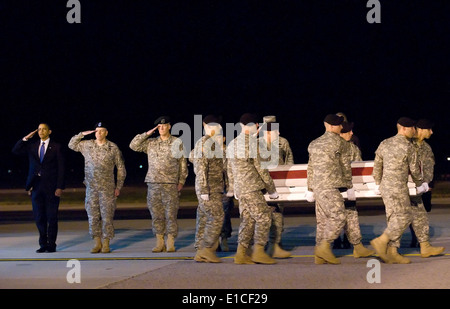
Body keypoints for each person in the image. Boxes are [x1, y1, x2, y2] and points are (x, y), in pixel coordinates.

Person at [371, 117, 427, 264]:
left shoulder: (385, 143)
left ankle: (392, 252)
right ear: (404, 128)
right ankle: (381, 240)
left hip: (385, 186)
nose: (414, 130)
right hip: (398, 187)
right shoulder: (408, 146)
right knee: (406, 216)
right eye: (412, 128)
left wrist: (377, 183)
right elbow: (414, 169)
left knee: (393, 217)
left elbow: (377, 165)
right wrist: (420, 183)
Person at [130, 116, 188, 252]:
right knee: (156, 214)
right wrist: (147, 133)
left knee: (171, 214)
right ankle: (159, 241)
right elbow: (133, 145)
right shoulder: (151, 143)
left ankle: (171, 241)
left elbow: (183, 163)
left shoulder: (177, 142)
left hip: (170, 183)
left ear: (169, 126)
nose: (161, 128)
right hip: (153, 183)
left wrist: (181, 181)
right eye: (159, 127)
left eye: (164, 126)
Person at [227, 113, 279, 264]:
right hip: (251, 187)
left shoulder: (232, 144)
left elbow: (229, 169)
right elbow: (261, 168)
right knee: (264, 217)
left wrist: (233, 188)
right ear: (255, 125)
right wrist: (271, 190)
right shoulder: (252, 144)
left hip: (241, 189)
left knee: (248, 220)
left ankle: (241, 254)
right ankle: (258, 251)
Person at [68, 122, 126, 253]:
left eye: (101, 131)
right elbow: (71, 144)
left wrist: (118, 186)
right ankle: (97, 242)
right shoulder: (87, 145)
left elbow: (121, 168)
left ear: (106, 133)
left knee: (107, 217)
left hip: (107, 188)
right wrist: (81, 134)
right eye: (96, 131)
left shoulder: (112, 147)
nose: (98, 133)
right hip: (91, 188)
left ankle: (106, 243)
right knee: (93, 217)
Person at [306, 114, 353, 264]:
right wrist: (349, 186)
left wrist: (310, 188)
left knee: (323, 221)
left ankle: (319, 255)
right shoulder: (341, 143)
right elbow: (345, 167)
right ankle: (324, 247)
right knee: (339, 216)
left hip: (318, 187)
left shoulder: (314, 143)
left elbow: (310, 168)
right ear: (332, 126)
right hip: (331, 186)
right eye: (339, 125)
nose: (341, 127)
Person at [12, 123, 65, 253]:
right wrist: (26, 138)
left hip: (52, 187)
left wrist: (60, 186)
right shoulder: (32, 146)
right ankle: (43, 244)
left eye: (44, 129)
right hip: (36, 186)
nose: (41, 131)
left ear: (49, 131)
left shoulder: (56, 147)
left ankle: (51, 244)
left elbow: (61, 168)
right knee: (39, 217)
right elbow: (16, 150)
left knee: (51, 217)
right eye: (39, 129)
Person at [189, 115, 227, 262]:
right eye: (211, 126)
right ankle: (207, 249)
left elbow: (192, 157)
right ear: (205, 126)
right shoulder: (206, 142)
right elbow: (200, 166)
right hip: (208, 188)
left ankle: (201, 252)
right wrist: (204, 189)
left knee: (206, 218)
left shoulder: (212, 143)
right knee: (217, 217)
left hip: (214, 187)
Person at [408, 119, 444, 256]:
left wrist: (429, 184)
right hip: (410, 186)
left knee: (422, 212)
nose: (432, 132)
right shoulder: (408, 144)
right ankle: (416, 239)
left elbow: (430, 167)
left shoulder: (427, 147)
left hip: (424, 186)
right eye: (429, 129)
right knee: (412, 215)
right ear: (421, 129)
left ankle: (420, 240)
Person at [337, 121, 374, 258]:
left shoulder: (353, 148)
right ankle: (324, 248)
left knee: (351, 216)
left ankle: (357, 246)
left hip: (346, 189)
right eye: (349, 131)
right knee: (335, 219)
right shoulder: (335, 147)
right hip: (335, 189)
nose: (352, 133)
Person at [258, 115, 293, 258]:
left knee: (278, 212)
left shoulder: (282, 142)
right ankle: (265, 242)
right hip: (262, 184)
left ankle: (276, 241)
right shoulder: (257, 144)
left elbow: (289, 160)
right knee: (263, 214)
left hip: (278, 184)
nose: (276, 133)